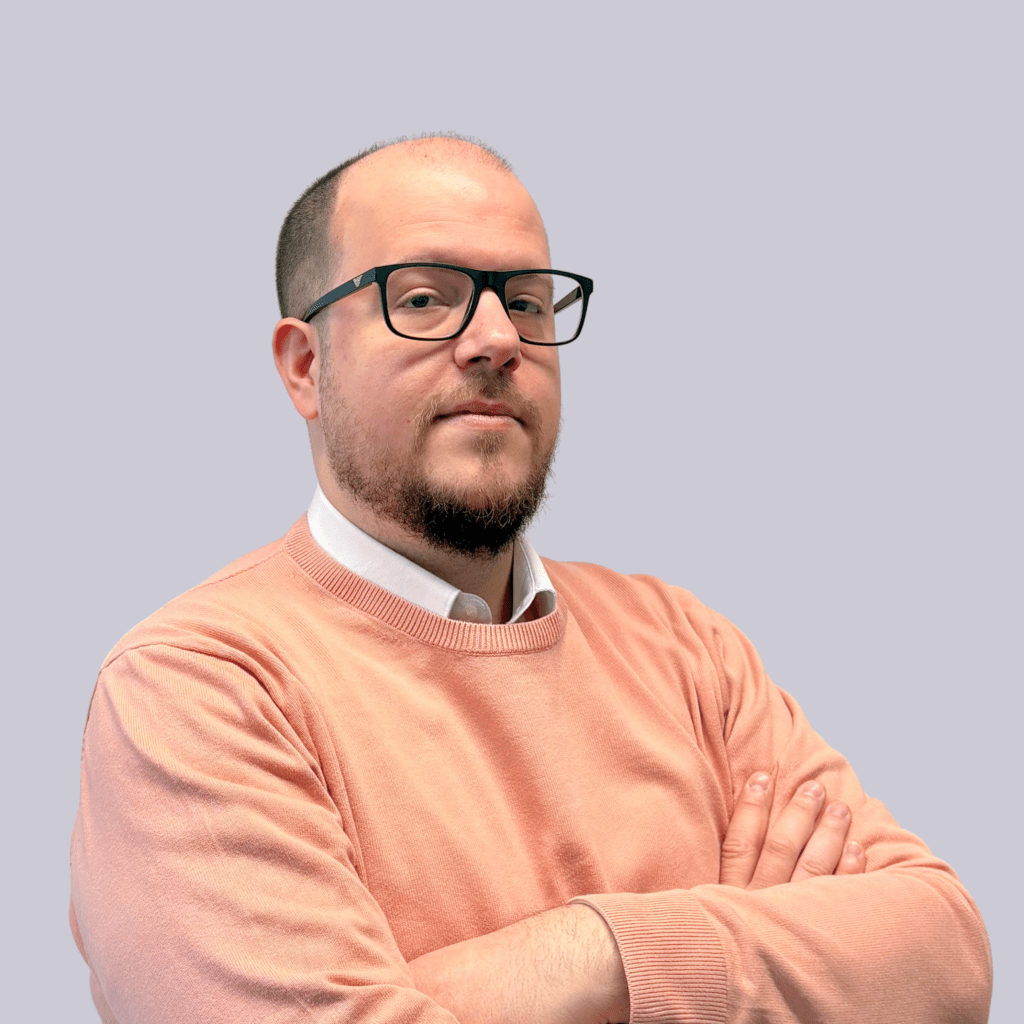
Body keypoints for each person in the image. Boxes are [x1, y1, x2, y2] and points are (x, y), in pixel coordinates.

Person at [69, 134, 992, 1024]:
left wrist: (600, 954)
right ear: (306, 366)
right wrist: (759, 962)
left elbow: (948, 960)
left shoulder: (687, 648)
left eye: (528, 302)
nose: (496, 338)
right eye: (423, 298)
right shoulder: (200, 687)